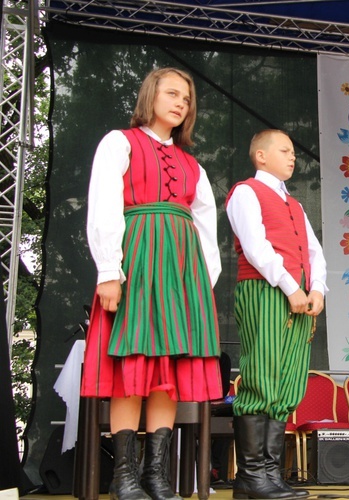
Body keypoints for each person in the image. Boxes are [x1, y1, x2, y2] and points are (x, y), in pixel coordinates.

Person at [81, 67, 223, 500]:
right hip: (138, 263)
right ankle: (124, 476)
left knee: (168, 374)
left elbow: (205, 226)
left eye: (187, 99)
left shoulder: (192, 164)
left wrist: (202, 284)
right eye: (172, 93)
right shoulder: (119, 142)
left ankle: (155, 476)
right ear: (151, 96)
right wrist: (109, 271)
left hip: (181, 276)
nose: (181, 103)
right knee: (134, 365)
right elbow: (104, 205)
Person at [226, 129, 327, 499]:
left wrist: (317, 288)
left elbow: (314, 252)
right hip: (266, 290)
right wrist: (291, 287)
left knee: (288, 381)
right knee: (262, 374)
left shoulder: (296, 205)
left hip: (299, 294)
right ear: (261, 156)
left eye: (293, 152)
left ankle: (270, 474)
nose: (292, 157)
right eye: (284, 150)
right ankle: (251, 476)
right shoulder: (246, 192)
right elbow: (255, 246)